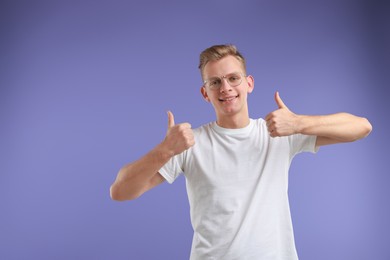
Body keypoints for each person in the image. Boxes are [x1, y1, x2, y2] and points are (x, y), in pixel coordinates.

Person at [110, 44, 372, 259]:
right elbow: (120, 191)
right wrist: (165, 150)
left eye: (233, 78)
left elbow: (361, 127)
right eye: (215, 82)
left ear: (249, 83)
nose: (225, 88)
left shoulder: (279, 133)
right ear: (205, 93)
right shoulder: (190, 144)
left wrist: (298, 123)